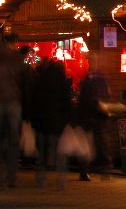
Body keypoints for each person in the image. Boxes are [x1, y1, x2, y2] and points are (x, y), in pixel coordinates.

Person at [32, 59, 72, 189]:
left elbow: (35, 103)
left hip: (42, 124)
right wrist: (67, 121)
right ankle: (61, 180)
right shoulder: (63, 84)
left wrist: (34, 122)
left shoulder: (41, 82)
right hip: (57, 124)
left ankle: (41, 179)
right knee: (60, 152)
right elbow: (67, 104)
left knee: (42, 152)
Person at [75, 52, 112, 181]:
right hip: (95, 114)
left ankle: (87, 170)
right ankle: (101, 169)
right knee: (99, 143)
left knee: (93, 143)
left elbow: (84, 97)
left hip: (90, 114)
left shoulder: (89, 79)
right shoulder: (99, 78)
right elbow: (106, 95)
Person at [0, 34, 22, 189]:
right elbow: (23, 81)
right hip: (13, 101)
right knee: (13, 141)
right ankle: (11, 177)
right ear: (14, 43)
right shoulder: (16, 58)